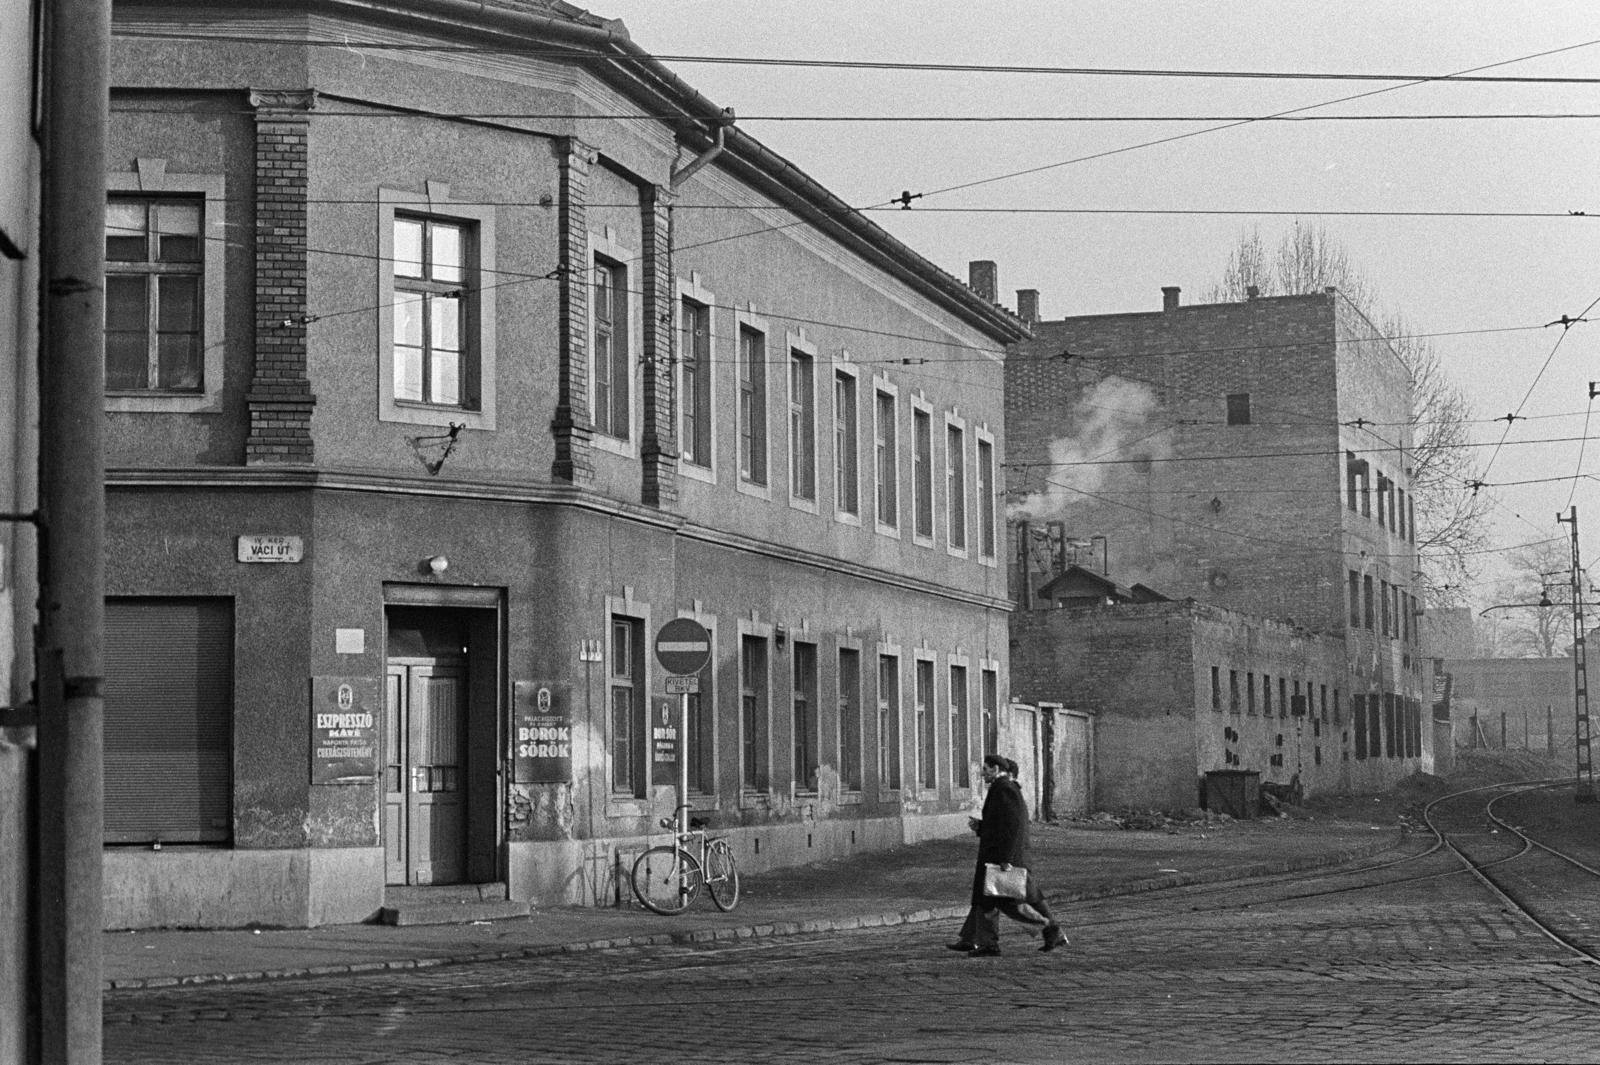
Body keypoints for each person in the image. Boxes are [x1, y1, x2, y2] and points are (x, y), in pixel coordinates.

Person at [946, 754, 1067, 957]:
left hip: (1003, 858)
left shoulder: (1004, 789)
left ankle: (1049, 929)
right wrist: (981, 827)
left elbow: (1012, 826)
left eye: (985, 769)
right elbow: (998, 823)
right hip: (998, 855)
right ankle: (973, 940)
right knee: (986, 899)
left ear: (995, 769)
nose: (982, 773)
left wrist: (1006, 859)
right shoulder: (1001, 788)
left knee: (1012, 901)